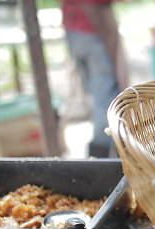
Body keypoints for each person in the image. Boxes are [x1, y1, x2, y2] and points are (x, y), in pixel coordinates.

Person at [61, 0, 127, 157]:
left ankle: (101, 156)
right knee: (106, 99)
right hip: (91, 28)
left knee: (99, 95)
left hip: (75, 29)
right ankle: (101, 158)